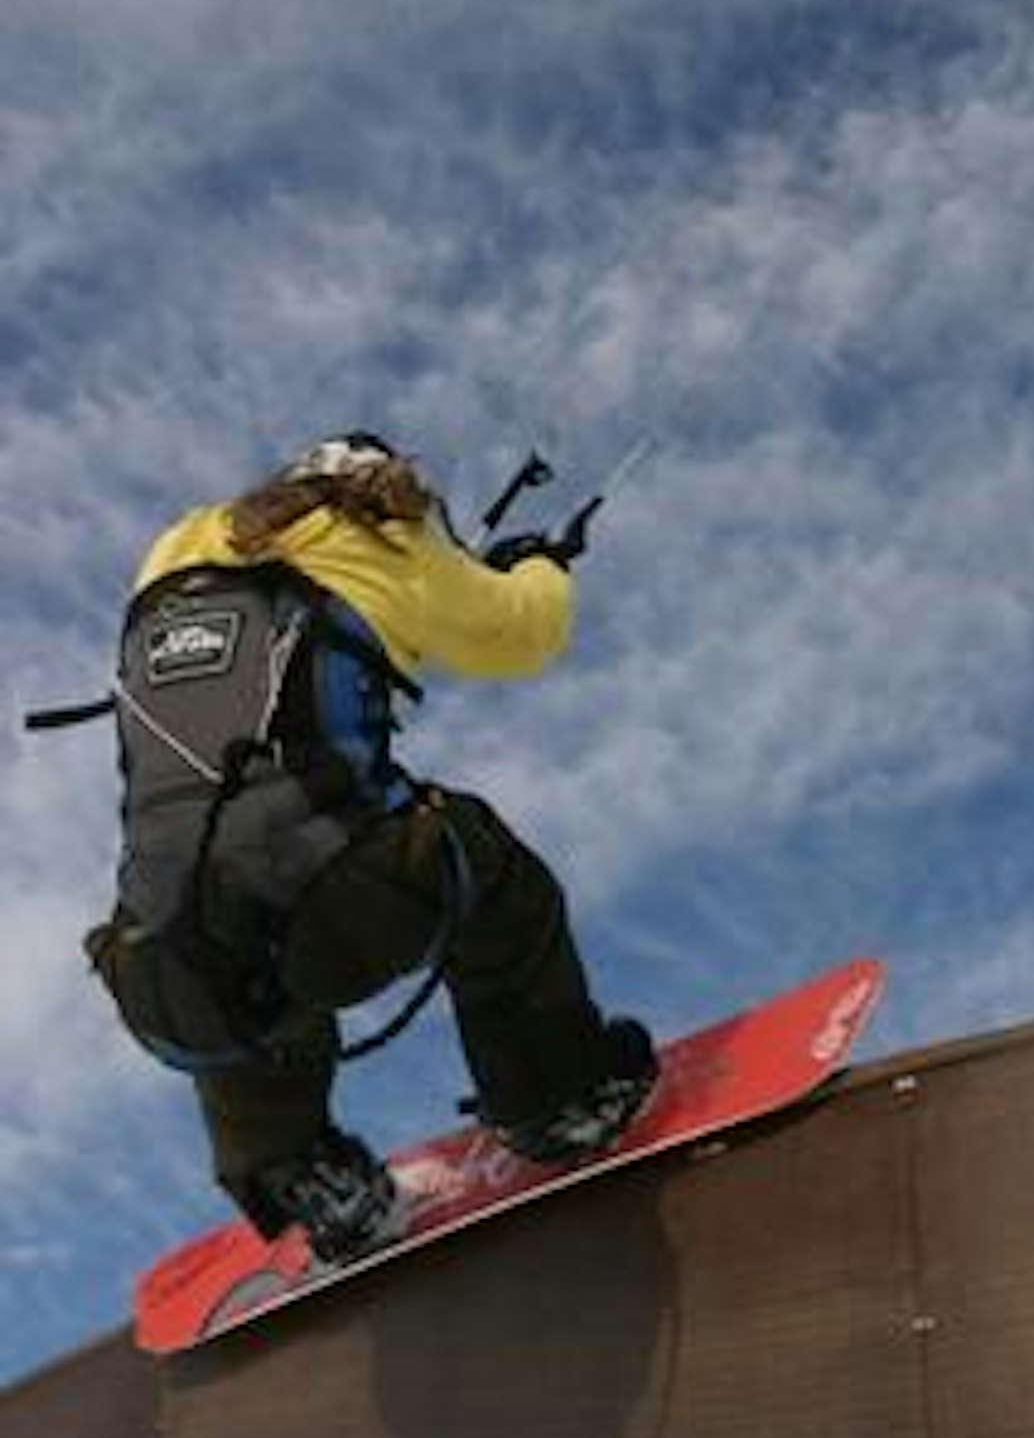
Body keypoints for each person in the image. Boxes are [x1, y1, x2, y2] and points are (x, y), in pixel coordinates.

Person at [82, 432, 657, 1263]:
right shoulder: (393, 533)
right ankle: (556, 1095)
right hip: (346, 906)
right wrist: (536, 566)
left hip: (153, 967)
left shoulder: (177, 547)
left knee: (225, 927)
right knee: (478, 858)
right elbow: (519, 635)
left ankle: (305, 1175)